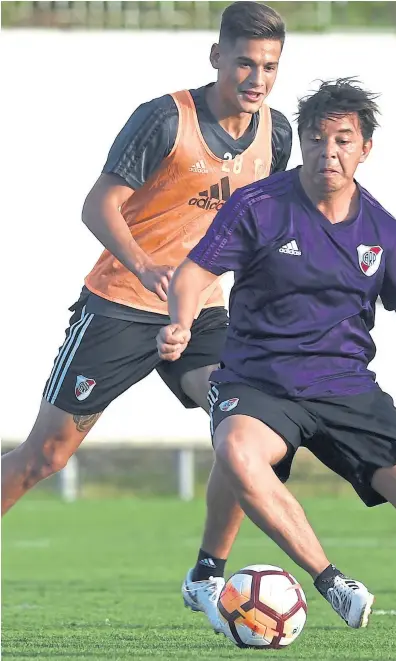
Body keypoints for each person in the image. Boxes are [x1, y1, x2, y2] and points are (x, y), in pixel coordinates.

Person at [157, 77, 396, 649]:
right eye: (315, 139)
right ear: (301, 142)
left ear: (364, 149)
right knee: (236, 451)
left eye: (341, 141)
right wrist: (182, 320)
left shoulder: (382, 230)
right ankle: (329, 579)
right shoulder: (258, 205)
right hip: (259, 382)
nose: (327, 153)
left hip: (345, 389)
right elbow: (192, 274)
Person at [1, 0, 291, 628]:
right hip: (121, 306)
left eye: (269, 67)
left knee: (241, 426)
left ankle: (207, 574)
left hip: (204, 311)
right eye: (245, 63)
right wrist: (142, 265)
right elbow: (96, 206)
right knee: (44, 457)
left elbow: (266, 222)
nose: (257, 79)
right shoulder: (164, 119)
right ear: (217, 57)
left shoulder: (278, 132)